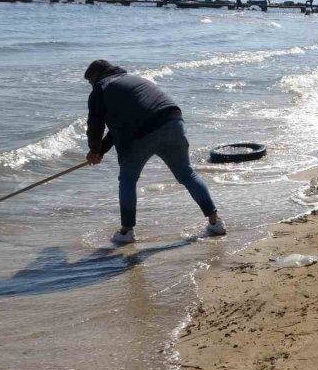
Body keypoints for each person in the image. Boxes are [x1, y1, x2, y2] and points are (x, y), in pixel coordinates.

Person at [83, 60, 226, 243]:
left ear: (97, 75)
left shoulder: (101, 88)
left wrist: (94, 150)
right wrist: (100, 150)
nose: (91, 86)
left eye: (90, 82)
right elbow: (121, 125)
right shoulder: (133, 80)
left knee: (128, 180)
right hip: (173, 121)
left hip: (141, 134)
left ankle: (126, 232)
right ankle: (215, 223)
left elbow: (96, 124)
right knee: (187, 174)